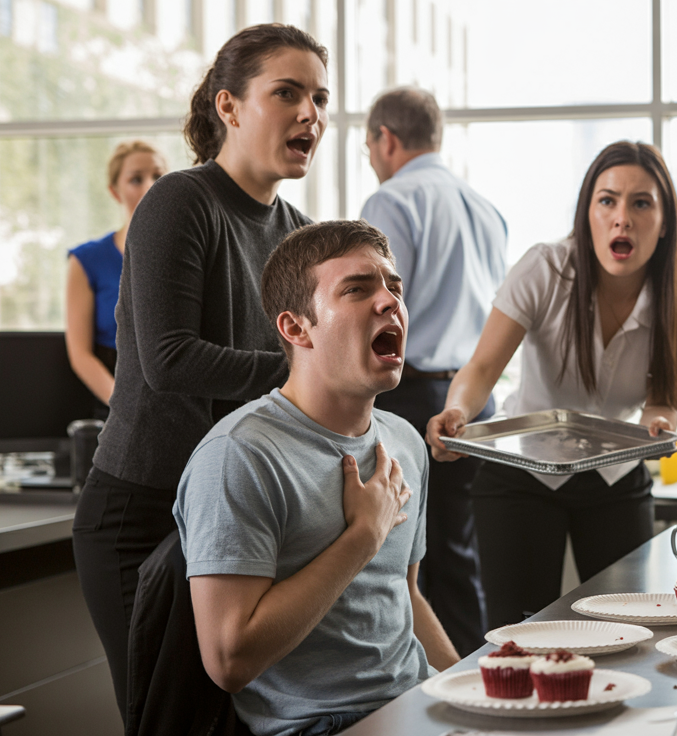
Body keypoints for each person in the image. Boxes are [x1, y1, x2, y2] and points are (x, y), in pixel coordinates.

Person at [73, 24, 328, 718]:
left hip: (235, 514)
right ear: (229, 107)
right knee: (170, 721)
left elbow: (310, 380)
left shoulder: (300, 234)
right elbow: (169, 361)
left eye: (319, 97)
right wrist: (310, 368)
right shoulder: (180, 203)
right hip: (143, 510)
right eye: (288, 92)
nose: (312, 113)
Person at [176, 219, 457, 736]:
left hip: (416, 706)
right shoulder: (239, 455)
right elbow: (229, 661)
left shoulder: (404, 442)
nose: (389, 301)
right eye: (357, 289)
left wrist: (465, 689)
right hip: (322, 725)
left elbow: (404, 597)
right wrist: (361, 539)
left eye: (394, 287)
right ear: (296, 328)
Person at [426, 141, 677, 627]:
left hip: (615, 476)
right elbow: (480, 370)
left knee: (630, 629)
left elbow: (663, 402)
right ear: (587, 215)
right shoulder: (545, 268)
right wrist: (458, 411)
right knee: (518, 632)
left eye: (641, 203)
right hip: (521, 474)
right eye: (607, 201)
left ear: (664, 223)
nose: (622, 218)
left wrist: (662, 423)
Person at [359, 86, 507, 655]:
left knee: (407, 559)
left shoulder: (392, 201)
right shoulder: (484, 206)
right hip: (474, 398)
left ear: (386, 140)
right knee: (458, 554)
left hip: (414, 401)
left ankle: (431, 690)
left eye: (370, 148)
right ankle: (474, 673)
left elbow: (384, 311)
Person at [64, 140, 168, 417]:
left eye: (158, 176)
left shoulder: (187, 254)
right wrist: (127, 407)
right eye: (136, 179)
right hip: (117, 407)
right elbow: (81, 356)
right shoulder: (86, 260)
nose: (149, 186)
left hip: (178, 401)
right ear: (115, 191)